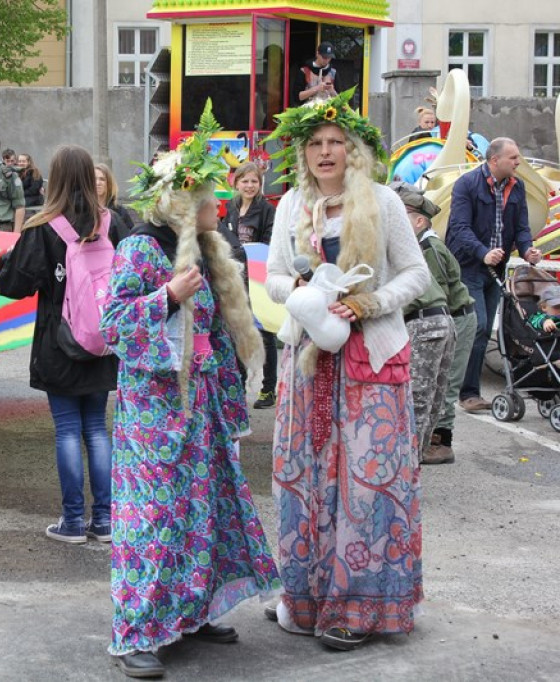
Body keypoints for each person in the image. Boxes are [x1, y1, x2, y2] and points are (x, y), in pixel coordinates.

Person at [102, 103, 281, 679]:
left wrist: (233, 397)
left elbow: (216, 335)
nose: (220, 203)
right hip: (154, 417)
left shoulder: (206, 247)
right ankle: (135, 633)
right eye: (208, 195)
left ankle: (193, 612)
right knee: (154, 519)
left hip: (198, 410)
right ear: (181, 202)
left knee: (201, 512)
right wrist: (167, 297)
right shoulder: (140, 248)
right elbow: (113, 327)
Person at [264, 88, 430, 651]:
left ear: (353, 150)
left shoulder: (382, 202)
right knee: (303, 480)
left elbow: (415, 274)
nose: (326, 151)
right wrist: (307, 292)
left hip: (368, 360)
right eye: (315, 142)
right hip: (307, 359)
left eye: (336, 141)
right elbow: (273, 279)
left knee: (368, 485)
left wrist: (366, 304)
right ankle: (304, 598)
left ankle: (360, 607)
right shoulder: (290, 205)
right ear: (303, 152)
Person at [0, 145, 125, 546]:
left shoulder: (43, 226)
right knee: (98, 432)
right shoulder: (114, 222)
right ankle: (104, 521)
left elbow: (12, 286)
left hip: (60, 342)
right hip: (103, 341)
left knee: (67, 430)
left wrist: (7, 259)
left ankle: (72, 521)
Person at [446, 137, 542, 412]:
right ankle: (468, 393)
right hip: (469, 265)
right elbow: (459, 227)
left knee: (485, 328)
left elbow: (521, 227)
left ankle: (465, 388)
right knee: (477, 326)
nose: (518, 161)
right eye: (513, 157)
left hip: (495, 269)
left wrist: (527, 251)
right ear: (494, 160)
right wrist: (482, 252)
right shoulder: (467, 184)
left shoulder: (517, 186)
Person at [394, 183, 461, 465]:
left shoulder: (402, 243)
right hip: (442, 320)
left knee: (418, 401)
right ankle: (415, 461)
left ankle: (408, 468)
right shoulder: (410, 244)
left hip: (426, 324)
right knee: (430, 400)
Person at [225, 161, 278, 408]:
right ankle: (239, 382)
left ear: (260, 184)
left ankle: (268, 388)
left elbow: (270, 241)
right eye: (244, 181)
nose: (249, 186)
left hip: (258, 277)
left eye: (254, 181)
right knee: (237, 330)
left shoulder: (267, 209)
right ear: (236, 183)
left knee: (264, 332)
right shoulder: (232, 209)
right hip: (235, 279)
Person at [94, 163, 136, 235]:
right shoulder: (84, 210)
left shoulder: (119, 212)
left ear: (109, 183)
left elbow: (130, 238)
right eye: (94, 179)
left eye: (102, 179)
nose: (98, 183)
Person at [293, 41, 337, 105]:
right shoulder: (304, 71)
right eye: (324, 57)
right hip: (307, 112)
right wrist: (317, 88)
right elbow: (297, 97)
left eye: (329, 58)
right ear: (317, 54)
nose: (327, 60)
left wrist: (332, 91)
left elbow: (341, 99)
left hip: (329, 112)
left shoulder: (334, 72)